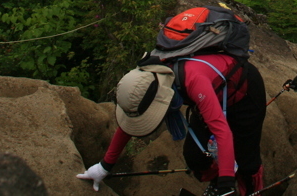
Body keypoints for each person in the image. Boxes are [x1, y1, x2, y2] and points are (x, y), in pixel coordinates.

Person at [77, 54, 266, 196]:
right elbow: (130, 123)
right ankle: (217, 181)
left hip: (244, 95)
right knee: (195, 157)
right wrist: (104, 166)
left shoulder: (193, 80)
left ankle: (247, 189)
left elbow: (222, 131)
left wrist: (226, 186)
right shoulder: (149, 75)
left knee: (246, 163)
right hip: (211, 95)